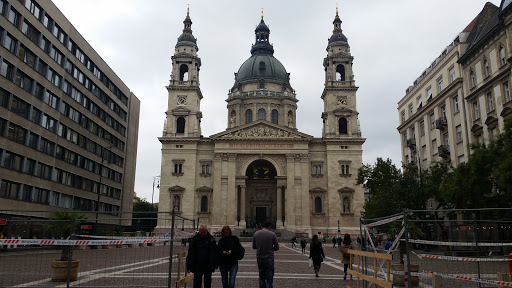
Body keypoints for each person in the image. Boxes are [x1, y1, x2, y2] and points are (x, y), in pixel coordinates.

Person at [253, 221, 279, 288]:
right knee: (269, 279)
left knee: (261, 278)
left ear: (262, 226)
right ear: (269, 227)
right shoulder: (272, 234)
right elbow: (277, 247)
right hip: (269, 258)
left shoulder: (256, 234)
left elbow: (254, 246)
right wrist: (271, 249)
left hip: (260, 258)